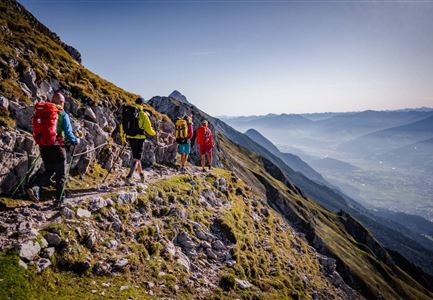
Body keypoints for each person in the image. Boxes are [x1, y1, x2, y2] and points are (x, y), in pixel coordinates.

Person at [26, 92, 79, 206]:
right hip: (57, 147)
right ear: (61, 102)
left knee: (49, 170)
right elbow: (68, 132)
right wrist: (75, 140)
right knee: (61, 174)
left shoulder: (43, 111)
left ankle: (34, 187)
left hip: (44, 146)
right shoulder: (62, 114)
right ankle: (59, 200)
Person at [120, 97, 156, 184]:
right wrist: (154, 133)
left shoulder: (128, 112)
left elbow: (122, 126)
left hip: (130, 137)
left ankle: (141, 175)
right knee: (136, 158)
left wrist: (123, 137)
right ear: (142, 105)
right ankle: (128, 178)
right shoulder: (143, 114)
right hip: (139, 139)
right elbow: (148, 129)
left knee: (136, 156)